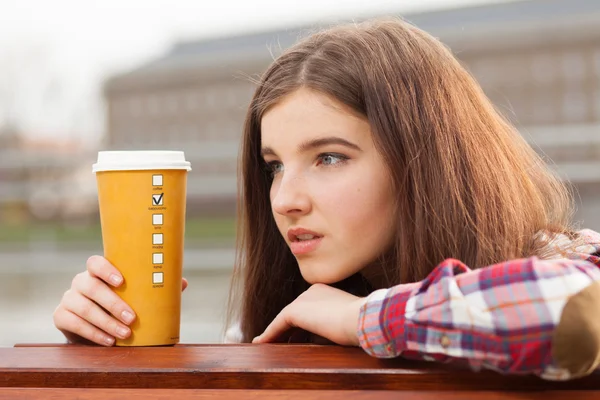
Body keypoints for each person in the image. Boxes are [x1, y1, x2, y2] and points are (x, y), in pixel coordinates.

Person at [53, 18, 600, 380]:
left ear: (425, 159)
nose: (285, 199)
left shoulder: (561, 262)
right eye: (273, 167)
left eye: (329, 157)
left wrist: (365, 318)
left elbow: (575, 313)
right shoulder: (292, 319)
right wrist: (103, 351)